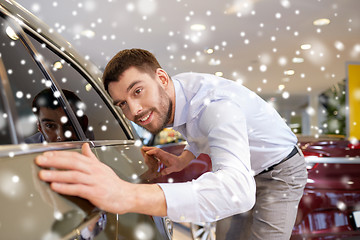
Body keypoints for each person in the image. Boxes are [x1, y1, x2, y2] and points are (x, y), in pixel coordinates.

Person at [35, 48, 307, 239]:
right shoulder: (176, 98)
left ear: (161, 78)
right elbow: (200, 134)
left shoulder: (215, 106)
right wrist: (182, 160)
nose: (135, 112)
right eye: (123, 104)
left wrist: (126, 195)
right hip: (246, 167)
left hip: (280, 170)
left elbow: (238, 191)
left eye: (137, 91)